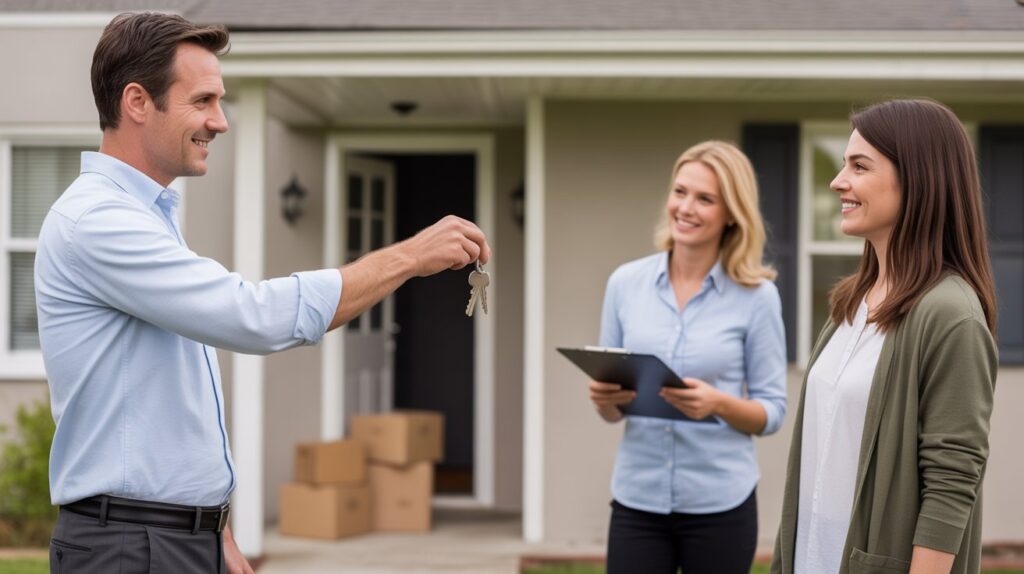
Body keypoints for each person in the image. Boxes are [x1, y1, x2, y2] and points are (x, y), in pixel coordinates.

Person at [34, 12, 491, 574]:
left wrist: (211, 523)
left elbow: (172, 404)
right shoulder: (98, 222)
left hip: (169, 536)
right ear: (136, 102)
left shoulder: (146, 216)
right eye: (202, 100)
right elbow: (252, 315)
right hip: (131, 546)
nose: (220, 122)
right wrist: (409, 256)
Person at [771, 99, 998, 574]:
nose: (838, 181)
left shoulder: (950, 315)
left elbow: (952, 482)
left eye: (859, 165)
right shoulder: (852, 302)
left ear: (917, 179)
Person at [589, 140, 787, 574]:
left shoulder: (758, 298)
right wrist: (607, 401)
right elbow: (614, 412)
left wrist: (718, 404)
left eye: (705, 199)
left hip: (720, 505)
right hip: (637, 500)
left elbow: (772, 411)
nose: (686, 208)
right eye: (680, 192)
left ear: (732, 212)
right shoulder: (625, 284)